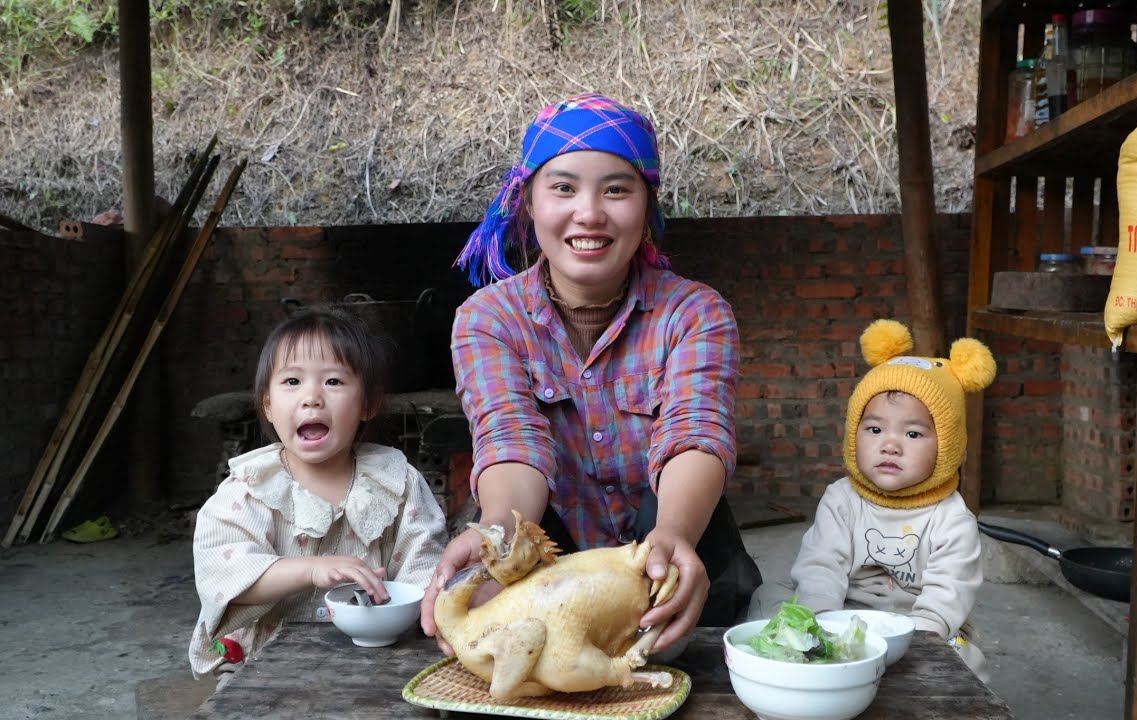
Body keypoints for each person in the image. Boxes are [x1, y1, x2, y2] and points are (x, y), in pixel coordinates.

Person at [420, 93, 761, 655]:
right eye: (563, 187)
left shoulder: (695, 313)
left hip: (681, 561)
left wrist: (673, 535)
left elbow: (694, 431)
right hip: (551, 580)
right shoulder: (487, 319)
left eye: (617, 189)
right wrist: (498, 537)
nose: (590, 213)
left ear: (647, 207)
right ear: (527, 202)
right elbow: (511, 440)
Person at [188, 305, 448, 678]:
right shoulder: (250, 489)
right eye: (292, 381)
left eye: (334, 381)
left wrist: (429, 600)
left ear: (368, 403)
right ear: (268, 405)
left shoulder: (397, 483)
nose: (311, 397)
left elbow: (426, 568)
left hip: (377, 659)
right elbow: (225, 577)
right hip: (264, 667)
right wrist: (311, 569)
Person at [750, 319, 996, 681]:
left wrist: (914, 639)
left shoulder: (952, 518)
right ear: (854, 434)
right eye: (875, 429)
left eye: (913, 434)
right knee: (766, 598)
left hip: (912, 623)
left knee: (964, 663)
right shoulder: (842, 499)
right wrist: (821, 628)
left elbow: (948, 594)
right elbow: (822, 565)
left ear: (946, 446)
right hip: (841, 612)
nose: (890, 445)